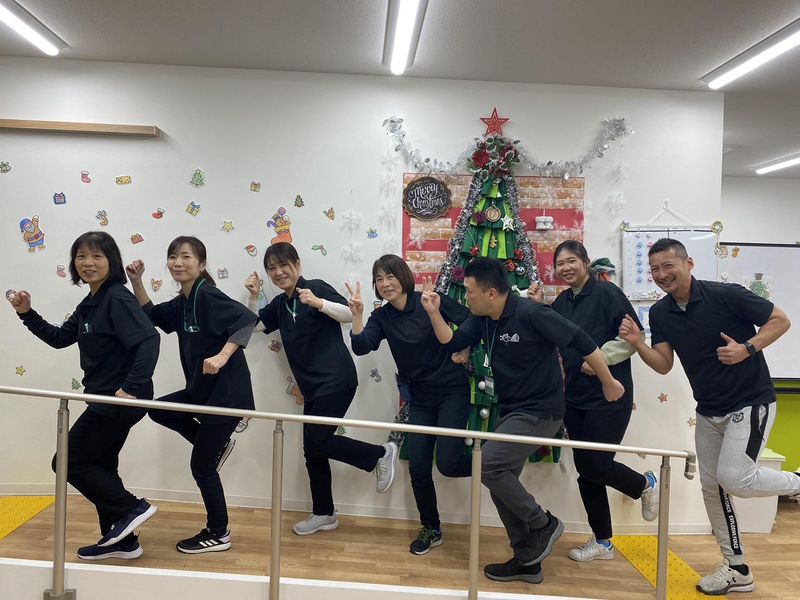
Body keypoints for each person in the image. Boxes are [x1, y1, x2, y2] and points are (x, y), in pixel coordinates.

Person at [421, 257, 625, 585]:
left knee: (488, 465)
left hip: (542, 411)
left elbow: (582, 341)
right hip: (513, 411)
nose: (466, 297)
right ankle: (527, 560)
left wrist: (609, 381)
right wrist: (434, 312)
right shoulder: (483, 319)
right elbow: (452, 342)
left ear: (491, 293)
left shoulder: (532, 313)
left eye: (470, 291)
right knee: (500, 483)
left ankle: (543, 524)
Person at [619, 237, 800, 595]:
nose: (661, 274)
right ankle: (737, 567)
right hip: (708, 410)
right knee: (712, 487)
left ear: (689, 264)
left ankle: (796, 483)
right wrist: (638, 343)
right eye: (654, 269)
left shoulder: (726, 295)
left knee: (736, 479)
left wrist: (747, 348)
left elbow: (780, 320)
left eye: (668, 265)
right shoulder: (660, 313)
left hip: (750, 401)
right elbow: (663, 364)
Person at [9, 231, 160, 561]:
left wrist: (131, 388)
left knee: (67, 461)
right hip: (105, 399)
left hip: (118, 401)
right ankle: (122, 541)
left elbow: (149, 340)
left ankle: (131, 508)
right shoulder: (91, 302)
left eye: (96, 256)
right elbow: (60, 338)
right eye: (81, 256)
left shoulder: (116, 298)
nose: (87, 263)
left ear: (111, 261)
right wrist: (26, 313)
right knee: (100, 465)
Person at [246, 242, 398, 536]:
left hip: (336, 380)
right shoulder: (279, 304)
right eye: (271, 268)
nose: (278, 272)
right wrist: (253, 296)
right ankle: (324, 513)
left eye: (283, 265)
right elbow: (254, 326)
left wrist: (318, 303)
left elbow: (348, 314)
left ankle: (379, 455)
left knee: (316, 444)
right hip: (312, 388)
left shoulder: (314, 287)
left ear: (297, 265)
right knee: (313, 451)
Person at [127, 236, 257, 554]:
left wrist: (223, 356)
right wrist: (137, 281)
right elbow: (152, 315)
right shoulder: (183, 302)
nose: (178, 262)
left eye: (186, 256)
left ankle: (218, 532)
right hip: (202, 392)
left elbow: (246, 319)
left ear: (201, 264)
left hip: (226, 396)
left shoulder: (207, 295)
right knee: (159, 408)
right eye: (173, 256)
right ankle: (217, 445)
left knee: (202, 466)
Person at [536, 240, 658, 562]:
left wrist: (600, 359)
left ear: (586, 262)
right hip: (575, 397)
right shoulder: (562, 302)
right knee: (586, 470)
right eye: (560, 263)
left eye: (571, 261)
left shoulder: (607, 293)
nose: (565, 268)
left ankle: (644, 483)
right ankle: (603, 542)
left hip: (610, 394)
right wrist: (537, 305)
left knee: (597, 465)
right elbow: (550, 332)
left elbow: (633, 337)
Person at [348, 254, 473, 555]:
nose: (385, 283)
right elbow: (361, 346)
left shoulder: (429, 300)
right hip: (420, 399)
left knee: (448, 464)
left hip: (452, 392)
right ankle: (431, 527)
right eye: (379, 279)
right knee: (418, 467)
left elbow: (471, 321)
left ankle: (495, 465)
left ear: (403, 276)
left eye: (390, 276)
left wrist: (465, 348)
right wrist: (357, 315)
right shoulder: (381, 317)